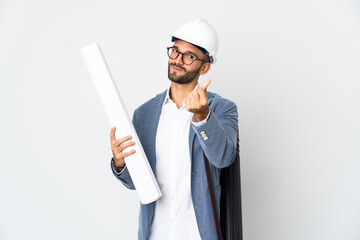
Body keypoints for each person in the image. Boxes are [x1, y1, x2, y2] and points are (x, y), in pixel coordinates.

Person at [110, 19, 238, 240]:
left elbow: (224, 158)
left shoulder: (222, 109)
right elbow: (136, 183)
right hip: (154, 234)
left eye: (189, 56)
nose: (178, 60)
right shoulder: (144, 114)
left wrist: (202, 116)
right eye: (175, 51)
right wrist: (120, 163)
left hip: (199, 234)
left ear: (205, 67)